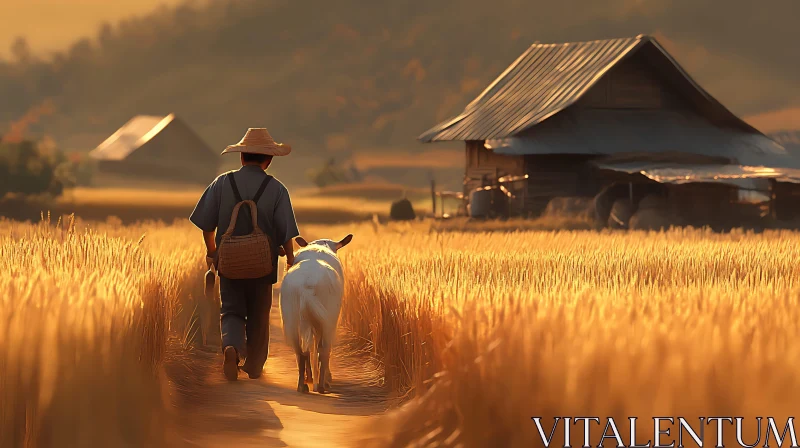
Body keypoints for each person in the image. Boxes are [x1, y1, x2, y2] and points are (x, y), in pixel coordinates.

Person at [189, 128, 299, 381]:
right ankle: (255, 366)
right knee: (260, 313)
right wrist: (290, 257)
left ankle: (232, 348)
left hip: (229, 262)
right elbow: (286, 232)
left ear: (241, 157)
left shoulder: (221, 183)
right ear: (268, 160)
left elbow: (207, 225)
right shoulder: (277, 189)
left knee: (231, 310)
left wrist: (213, 253)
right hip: (263, 264)